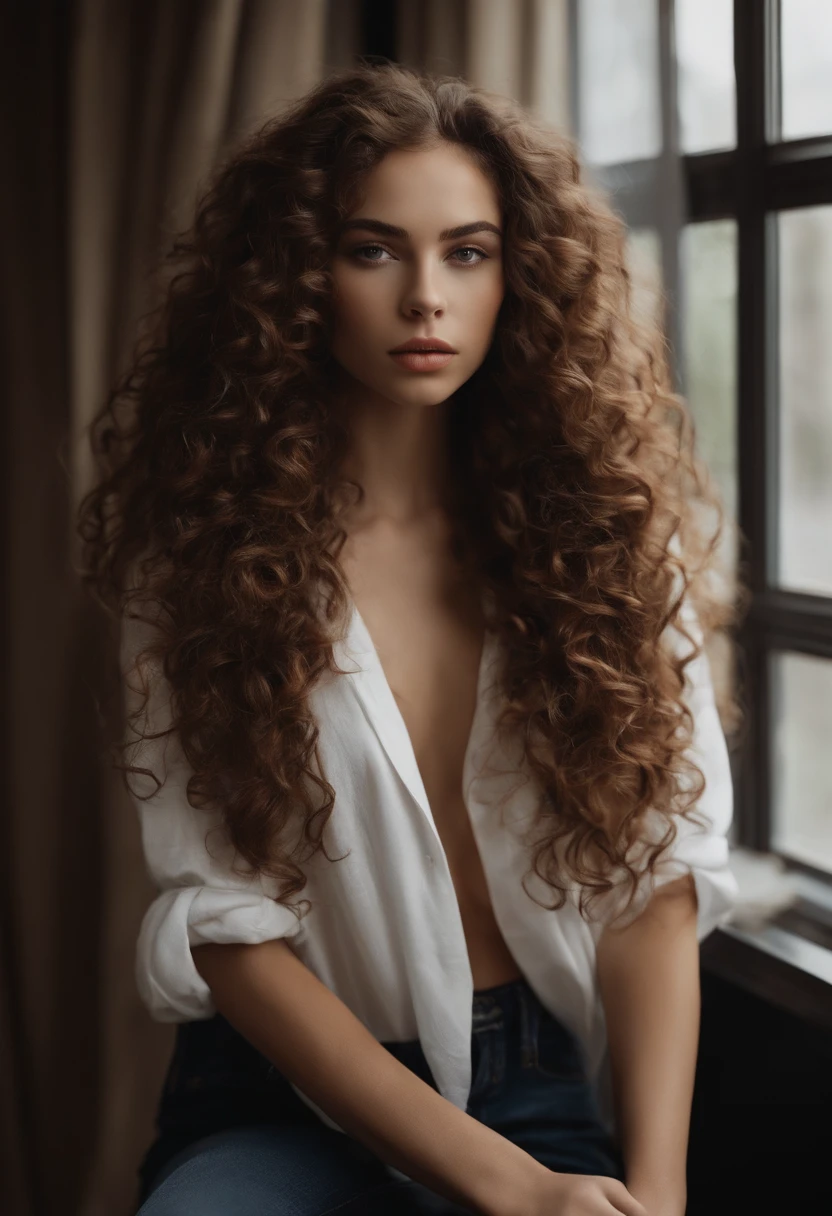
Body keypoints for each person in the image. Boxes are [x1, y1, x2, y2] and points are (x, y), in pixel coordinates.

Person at [76, 61, 743, 1216]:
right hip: (276, 1095)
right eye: (373, 248)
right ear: (295, 277)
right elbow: (228, 930)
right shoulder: (196, 562)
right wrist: (510, 1192)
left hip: (533, 1082)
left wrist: (657, 1191)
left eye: (468, 251)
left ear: (517, 276)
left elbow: (654, 889)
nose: (425, 295)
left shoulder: (609, 546)